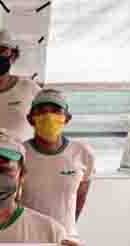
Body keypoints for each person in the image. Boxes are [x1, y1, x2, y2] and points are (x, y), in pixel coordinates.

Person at [22, 88, 95, 236]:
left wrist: (66, 230)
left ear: (67, 118)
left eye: (56, 111)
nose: (48, 116)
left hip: (65, 237)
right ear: (30, 119)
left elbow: (80, 198)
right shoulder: (19, 153)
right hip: (27, 236)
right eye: (41, 111)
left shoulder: (82, 153)